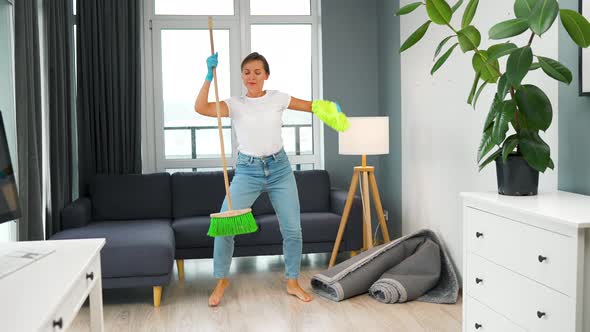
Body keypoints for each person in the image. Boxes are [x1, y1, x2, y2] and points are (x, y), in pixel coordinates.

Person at [195, 52, 339, 307]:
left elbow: (311, 106)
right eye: (247, 72)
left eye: (257, 72)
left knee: (293, 229)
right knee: (224, 227)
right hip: (247, 171)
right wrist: (208, 76)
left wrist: (328, 108)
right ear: (242, 76)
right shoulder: (235, 104)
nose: (251, 77)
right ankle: (221, 280)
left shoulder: (278, 98)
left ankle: (293, 281)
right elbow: (201, 108)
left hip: (280, 169)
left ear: (266, 75)